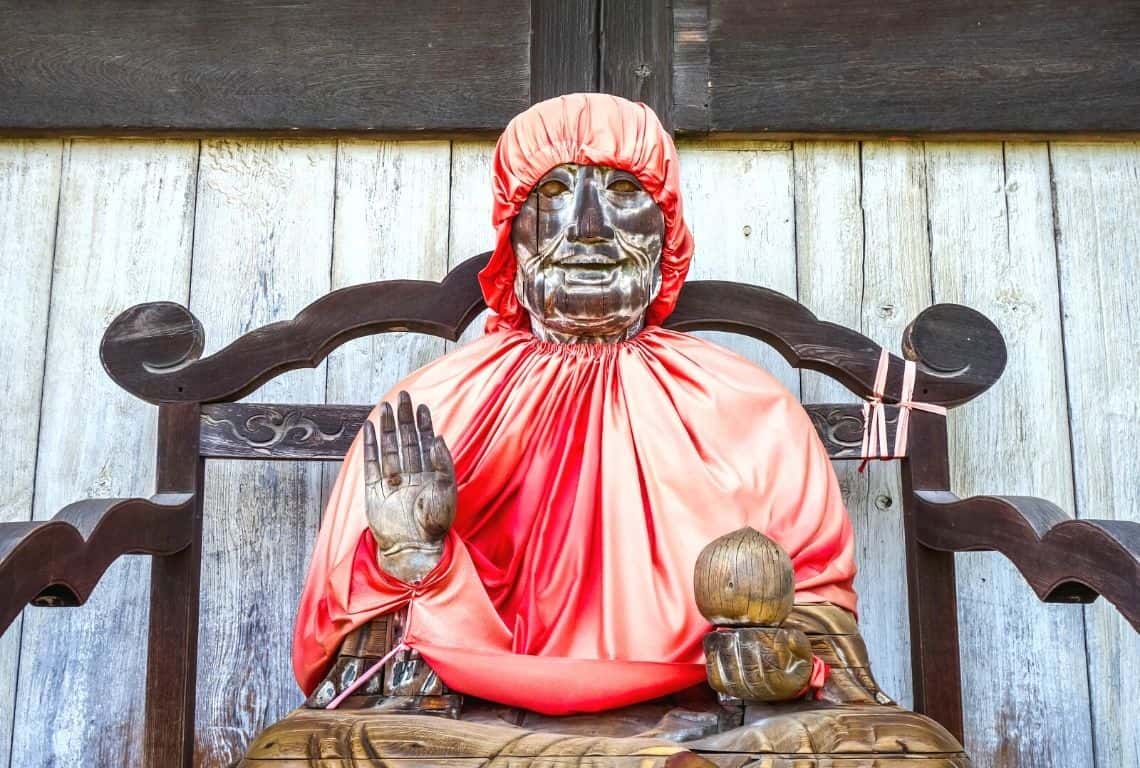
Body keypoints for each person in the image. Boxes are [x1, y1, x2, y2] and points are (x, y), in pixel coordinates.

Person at [291, 93, 856, 715]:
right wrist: (412, 558)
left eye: (622, 191)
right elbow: (348, 648)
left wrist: (771, 657)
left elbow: (820, 624)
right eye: (554, 193)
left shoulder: (750, 407)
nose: (588, 228)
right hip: (474, 712)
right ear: (511, 230)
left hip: (699, 721)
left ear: (667, 226)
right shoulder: (433, 408)